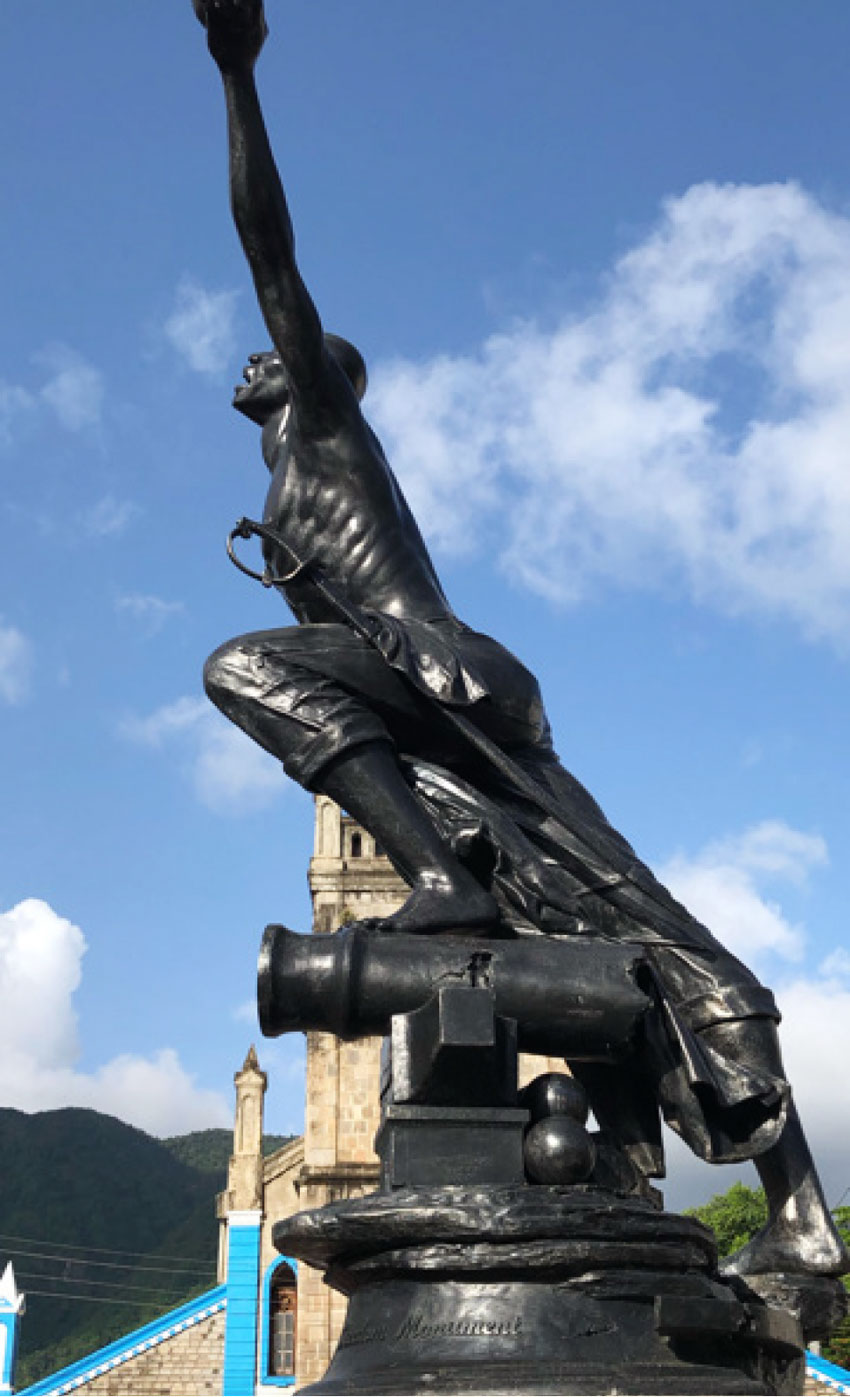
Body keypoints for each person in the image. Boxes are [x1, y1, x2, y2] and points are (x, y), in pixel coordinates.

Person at [193, 0, 847, 1282]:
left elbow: (267, 243)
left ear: (322, 370)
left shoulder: (323, 423)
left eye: (277, 352)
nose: (253, 358)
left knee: (246, 666)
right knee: (602, 903)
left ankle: (446, 878)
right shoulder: (292, 479)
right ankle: (770, 1191)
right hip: (432, 712)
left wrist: (236, 75)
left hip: (439, 676)